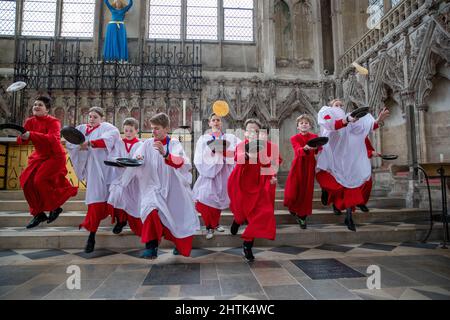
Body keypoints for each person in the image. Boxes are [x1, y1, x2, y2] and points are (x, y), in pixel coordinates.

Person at [119, 113, 199, 259]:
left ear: (166, 128)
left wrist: (166, 154)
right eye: (152, 128)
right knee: (150, 212)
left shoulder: (174, 144)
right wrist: (136, 160)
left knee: (176, 219)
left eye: (157, 128)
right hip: (152, 187)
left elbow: (181, 161)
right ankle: (151, 247)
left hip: (172, 189)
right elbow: (137, 160)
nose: (153, 132)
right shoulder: (147, 144)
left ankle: (177, 243)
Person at [316, 99, 389, 231]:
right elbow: (333, 125)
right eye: (336, 105)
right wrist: (348, 120)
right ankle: (328, 195)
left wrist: (378, 119)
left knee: (351, 187)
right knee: (335, 186)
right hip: (332, 161)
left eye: (341, 105)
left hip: (347, 161)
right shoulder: (326, 113)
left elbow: (365, 128)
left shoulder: (352, 120)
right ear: (330, 106)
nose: (339, 107)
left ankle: (349, 217)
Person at [17, 96, 78, 229]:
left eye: (40, 105)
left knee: (39, 181)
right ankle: (38, 214)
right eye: (35, 104)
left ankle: (55, 207)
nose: (36, 107)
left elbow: (52, 138)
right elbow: (23, 139)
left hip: (55, 156)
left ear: (47, 110)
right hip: (39, 156)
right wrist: (22, 138)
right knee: (26, 181)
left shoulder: (54, 122)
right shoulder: (29, 121)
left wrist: (31, 135)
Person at [66, 107, 121, 253]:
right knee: (95, 202)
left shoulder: (107, 127)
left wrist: (90, 144)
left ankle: (121, 222)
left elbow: (110, 139)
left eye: (95, 117)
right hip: (94, 172)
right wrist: (79, 147)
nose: (91, 119)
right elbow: (70, 143)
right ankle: (91, 236)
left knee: (117, 198)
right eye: (90, 116)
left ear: (102, 118)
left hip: (108, 170)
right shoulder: (81, 129)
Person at [227, 119, 282, 261]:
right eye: (250, 130)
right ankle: (237, 221)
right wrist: (246, 155)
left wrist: (273, 176)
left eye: (256, 131)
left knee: (265, 212)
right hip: (240, 184)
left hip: (258, 185)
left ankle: (247, 243)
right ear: (245, 133)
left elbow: (271, 163)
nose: (253, 133)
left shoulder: (265, 147)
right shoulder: (241, 146)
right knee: (241, 211)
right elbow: (237, 158)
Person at [193, 113, 241, 240]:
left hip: (224, 172)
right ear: (209, 123)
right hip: (209, 173)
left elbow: (238, 151)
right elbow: (198, 156)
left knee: (219, 198)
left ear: (221, 123)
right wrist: (212, 152)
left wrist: (225, 153)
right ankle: (209, 226)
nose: (216, 122)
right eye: (213, 120)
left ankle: (216, 223)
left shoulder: (230, 137)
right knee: (205, 199)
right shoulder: (203, 139)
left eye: (218, 120)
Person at [107, 117, 143, 235]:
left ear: (136, 131)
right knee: (116, 197)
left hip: (134, 179)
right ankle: (120, 221)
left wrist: (138, 159)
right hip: (119, 176)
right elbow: (112, 156)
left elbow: (142, 159)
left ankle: (134, 222)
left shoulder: (140, 144)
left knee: (133, 202)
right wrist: (119, 161)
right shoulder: (119, 143)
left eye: (131, 131)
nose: (128, 133)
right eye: (126, 130)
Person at [284, 114, 319, 230]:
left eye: (306, 123)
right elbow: (297, 149)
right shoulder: (294, 138)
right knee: (293, 189)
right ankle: (292, 207)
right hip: (298, 165)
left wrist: (316, 148)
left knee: (306, 191)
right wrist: (305, 148)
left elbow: (319, 149)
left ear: (310, 126)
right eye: (301, 123)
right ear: (298, 127)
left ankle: (302, 217)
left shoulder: (314, 136)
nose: (304, 124)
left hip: (309, 166)